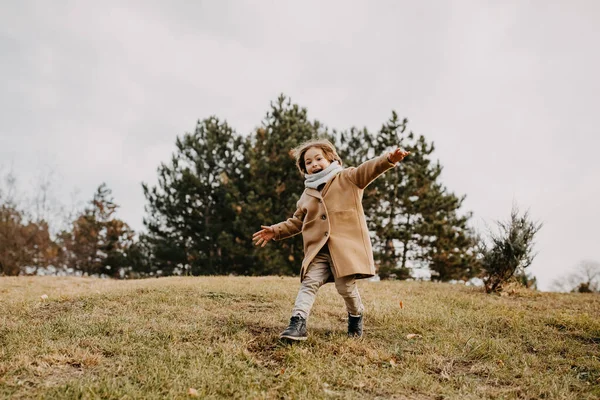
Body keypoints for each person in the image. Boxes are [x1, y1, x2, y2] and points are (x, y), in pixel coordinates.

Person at [252, 139, 409, 341]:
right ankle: (297, 323)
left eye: (319, 158)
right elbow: (297, 222)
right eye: (308, 162)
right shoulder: (306, 196)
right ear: (304, 169)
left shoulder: (348, 178)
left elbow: (369, 169)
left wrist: (388, 159)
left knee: (345, 288)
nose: (314, 164)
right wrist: (275, 231)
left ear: (331, 158)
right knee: (309, 283)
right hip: (319, 250)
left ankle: (356, 315)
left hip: (344, 250)